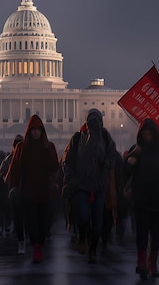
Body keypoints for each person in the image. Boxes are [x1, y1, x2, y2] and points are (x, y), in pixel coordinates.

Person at [62, 109, 117, 263]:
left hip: (99, 186)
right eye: (90, 121)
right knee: (82, 215)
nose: (93, 124)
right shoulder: (78, 138)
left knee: (98, 220)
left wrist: (103, 163)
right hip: (82, 184)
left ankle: (93, 248)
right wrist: (71, 178)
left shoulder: (105, 138)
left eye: (95, 121)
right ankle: (82, 236)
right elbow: (67, 159)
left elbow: (113, 159)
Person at [123, 119, 159, 279]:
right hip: (141, 197)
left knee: (156, 232)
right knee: (142, 231)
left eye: (150, 134)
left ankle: (153, 263)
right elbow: (124, 172)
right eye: (145, 134)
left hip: (158, 198)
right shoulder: (137, 149)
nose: (147, 137)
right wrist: (129, 163)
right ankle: (142, 263)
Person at [6, 115, 59, 263]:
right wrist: (14, 186)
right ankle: (36, 248)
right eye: (34, 130)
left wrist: (49, 151)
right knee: (30, 221)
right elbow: (15, 169)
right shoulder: (21, 147)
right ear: (29, 131)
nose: (36, 133)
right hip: (27, 190)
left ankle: (39, 247)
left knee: (42, 221)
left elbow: (54, 166)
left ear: (42, 131)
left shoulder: (49, 146)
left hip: (43, 190)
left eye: (38, 130)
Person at [1, 134, 24, 252]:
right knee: (18, 214)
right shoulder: (10, 158)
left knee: (20, 214)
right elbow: (2, 171)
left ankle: (22, 234)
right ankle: (21, 235)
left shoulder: (13, 157)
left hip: (22, 190)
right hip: (15, 190)